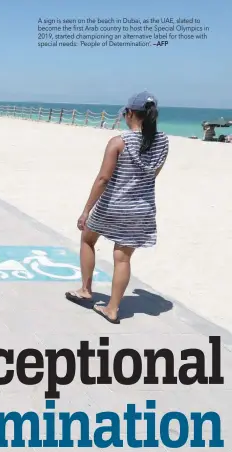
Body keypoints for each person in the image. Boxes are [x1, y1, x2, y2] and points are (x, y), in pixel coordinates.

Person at [65, 91, 169, 324]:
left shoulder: (119, 142)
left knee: (88, 238)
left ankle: (85, 289)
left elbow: (103, 179)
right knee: (122, 259)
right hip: (142, 208)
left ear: (130, 113)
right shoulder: (163, 141)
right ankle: (112, 308)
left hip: (113, 204)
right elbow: (153, 175)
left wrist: (86, 210)